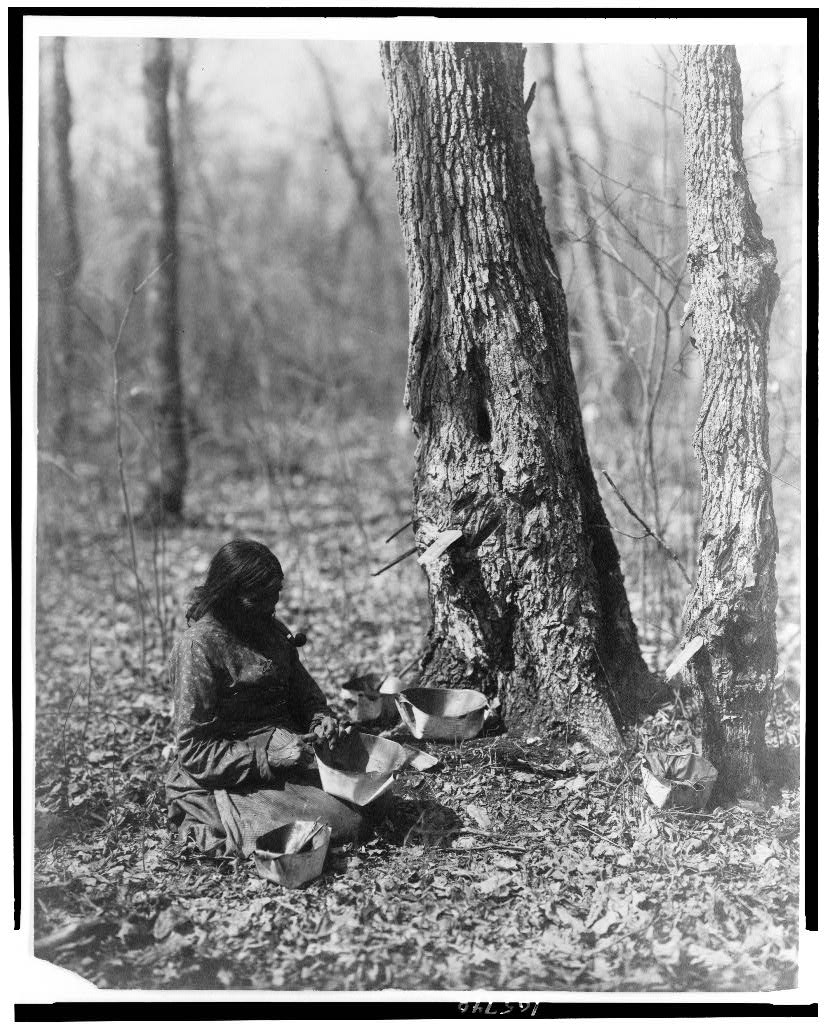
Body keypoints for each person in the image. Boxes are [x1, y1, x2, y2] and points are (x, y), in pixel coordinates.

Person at [165, 539, 363, 857]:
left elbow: (305, 694)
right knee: (339, 826)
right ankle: (207, 816)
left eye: (276, 593)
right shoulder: (198, 647)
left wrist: (320, 719)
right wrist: (265, 757)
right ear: (228, 596)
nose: (272, 606)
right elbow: (194, 751)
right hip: (231, 775)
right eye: (259, 598)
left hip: (289, 756)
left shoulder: (268, 628)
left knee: (369, 800)